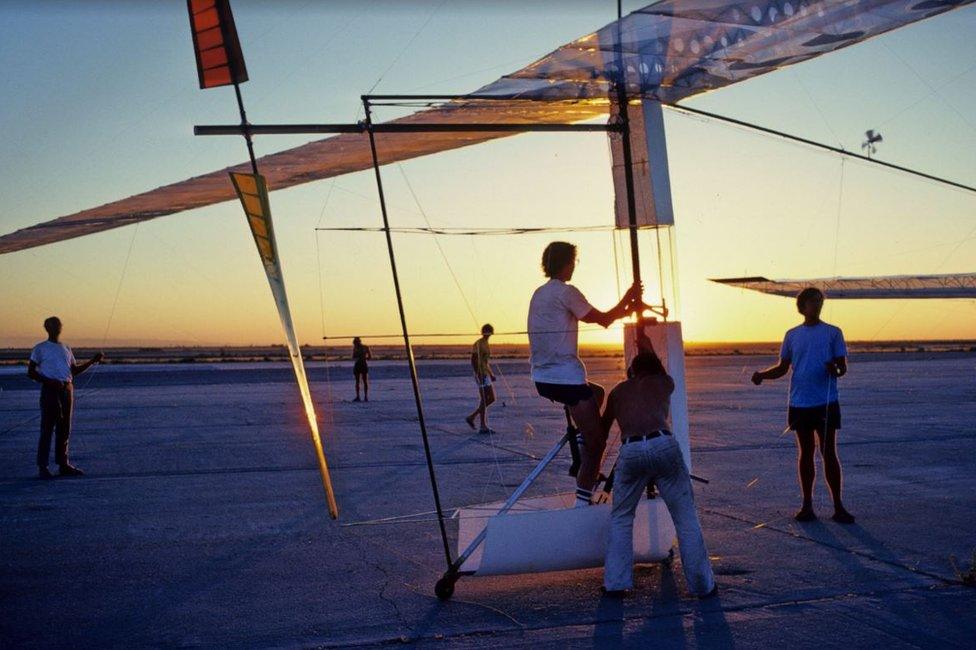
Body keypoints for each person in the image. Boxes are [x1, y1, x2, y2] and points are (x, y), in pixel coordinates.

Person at [527, 241, 642, 508]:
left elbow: (603, 318)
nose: (574, 267)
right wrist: (627, 299)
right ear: (567, 263)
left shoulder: (539, 293)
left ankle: (582, 440)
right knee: (598, 444)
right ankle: (582, 500)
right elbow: (602, 320)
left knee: (598, 392)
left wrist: (626, 308)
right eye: (573, 262)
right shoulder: (566, 292)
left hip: (542, 377)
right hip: (565, 378)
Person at [600, 337, 716, 598]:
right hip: (662, 444)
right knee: (685, 517)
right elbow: (658, 369)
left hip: (630, 449)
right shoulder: (664, 383)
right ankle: (702, 585)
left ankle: (616, 583)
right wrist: (646, 342)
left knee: (621, 518)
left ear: (632, 371)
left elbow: (603, 429)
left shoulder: (618, 391)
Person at [751, 287, 855, 524]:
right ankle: (807, 505)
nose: (817, 306)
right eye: (813, 302)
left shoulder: (833, 333)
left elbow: (842, 368)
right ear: (802, 306)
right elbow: (782, 368)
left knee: (828, 452)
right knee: (805, 453)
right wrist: (762, 375)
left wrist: (834, 370)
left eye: (820, 302)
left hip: (826, 402)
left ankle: (838, 506)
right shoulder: (792, 335)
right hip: (800, 402)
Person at [27, 316, 103, 479]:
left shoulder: (66, 348)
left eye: (59, 324)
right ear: (47, 328)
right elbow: (31, 372)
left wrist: (92, 361)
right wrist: (50, 382)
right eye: (54, 325)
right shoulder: (39, 348)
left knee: (64, 429)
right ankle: (43, 467)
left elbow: (74, 370)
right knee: (47, 429)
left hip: (67, 390)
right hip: (50, 391)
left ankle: (63, 464)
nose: (57, 327)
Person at [465, 324, 497, 434]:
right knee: (484, 398)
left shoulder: (486, 344)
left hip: (485, 373)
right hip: (480, 374)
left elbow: (485, 362)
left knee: (492, 398)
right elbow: (473, 359)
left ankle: (472, 417)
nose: (488, 333)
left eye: (489, 331)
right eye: (487, 331)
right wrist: (478, 373)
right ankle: (483, 426)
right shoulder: (478, 344)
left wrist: (491, 374)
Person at [352, 337, 371, 402]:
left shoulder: (357, 348)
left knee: (360, 381)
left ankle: (362, 397)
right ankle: (363, 397)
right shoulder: (365, 347)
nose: (354, 344)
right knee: (362, 381)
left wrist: (361, 357)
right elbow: (370, 357)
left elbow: (353, 357)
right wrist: (364, 358)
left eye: (355, 343)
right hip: (362, 364)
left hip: (360, 365)